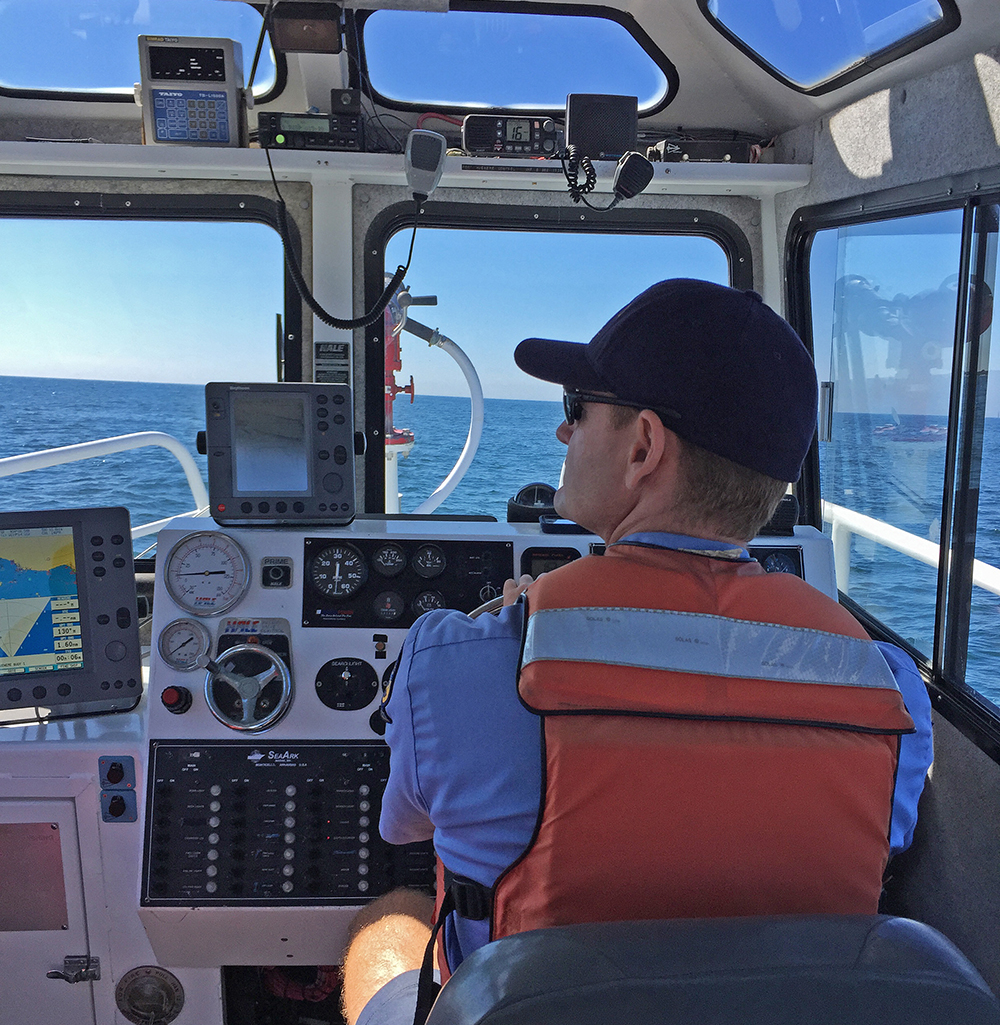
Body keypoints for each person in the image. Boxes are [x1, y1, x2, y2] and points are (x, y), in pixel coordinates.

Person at [341, 278, 934, 1025]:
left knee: (387, 923)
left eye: (575, 409)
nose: (563, 434)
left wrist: (499, 625)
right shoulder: (891, 693)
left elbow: (404, 825)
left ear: (645, 446)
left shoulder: (465, 662)